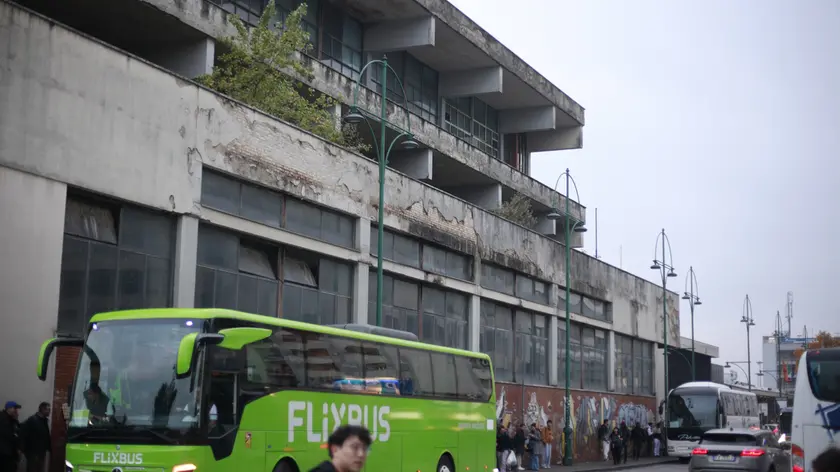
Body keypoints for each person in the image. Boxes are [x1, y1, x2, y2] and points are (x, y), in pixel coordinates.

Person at [20, 402, 51, 472]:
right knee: (32, 469)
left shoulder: (44, 421)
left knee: (39, 469)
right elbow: (23, 434)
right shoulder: (32, 420)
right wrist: (25, 451)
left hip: (41, 452)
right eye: (48, 409)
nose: (49, 411)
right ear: (43, 409)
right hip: (33, 453)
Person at [0, 401, 22, 472]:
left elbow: (17, 431)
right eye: (15, 408)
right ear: (9, 408)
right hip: (4, 453)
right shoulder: (3, 419)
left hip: (9, 452)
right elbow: (9, 435)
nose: (16, 411)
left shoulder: (11, 419)